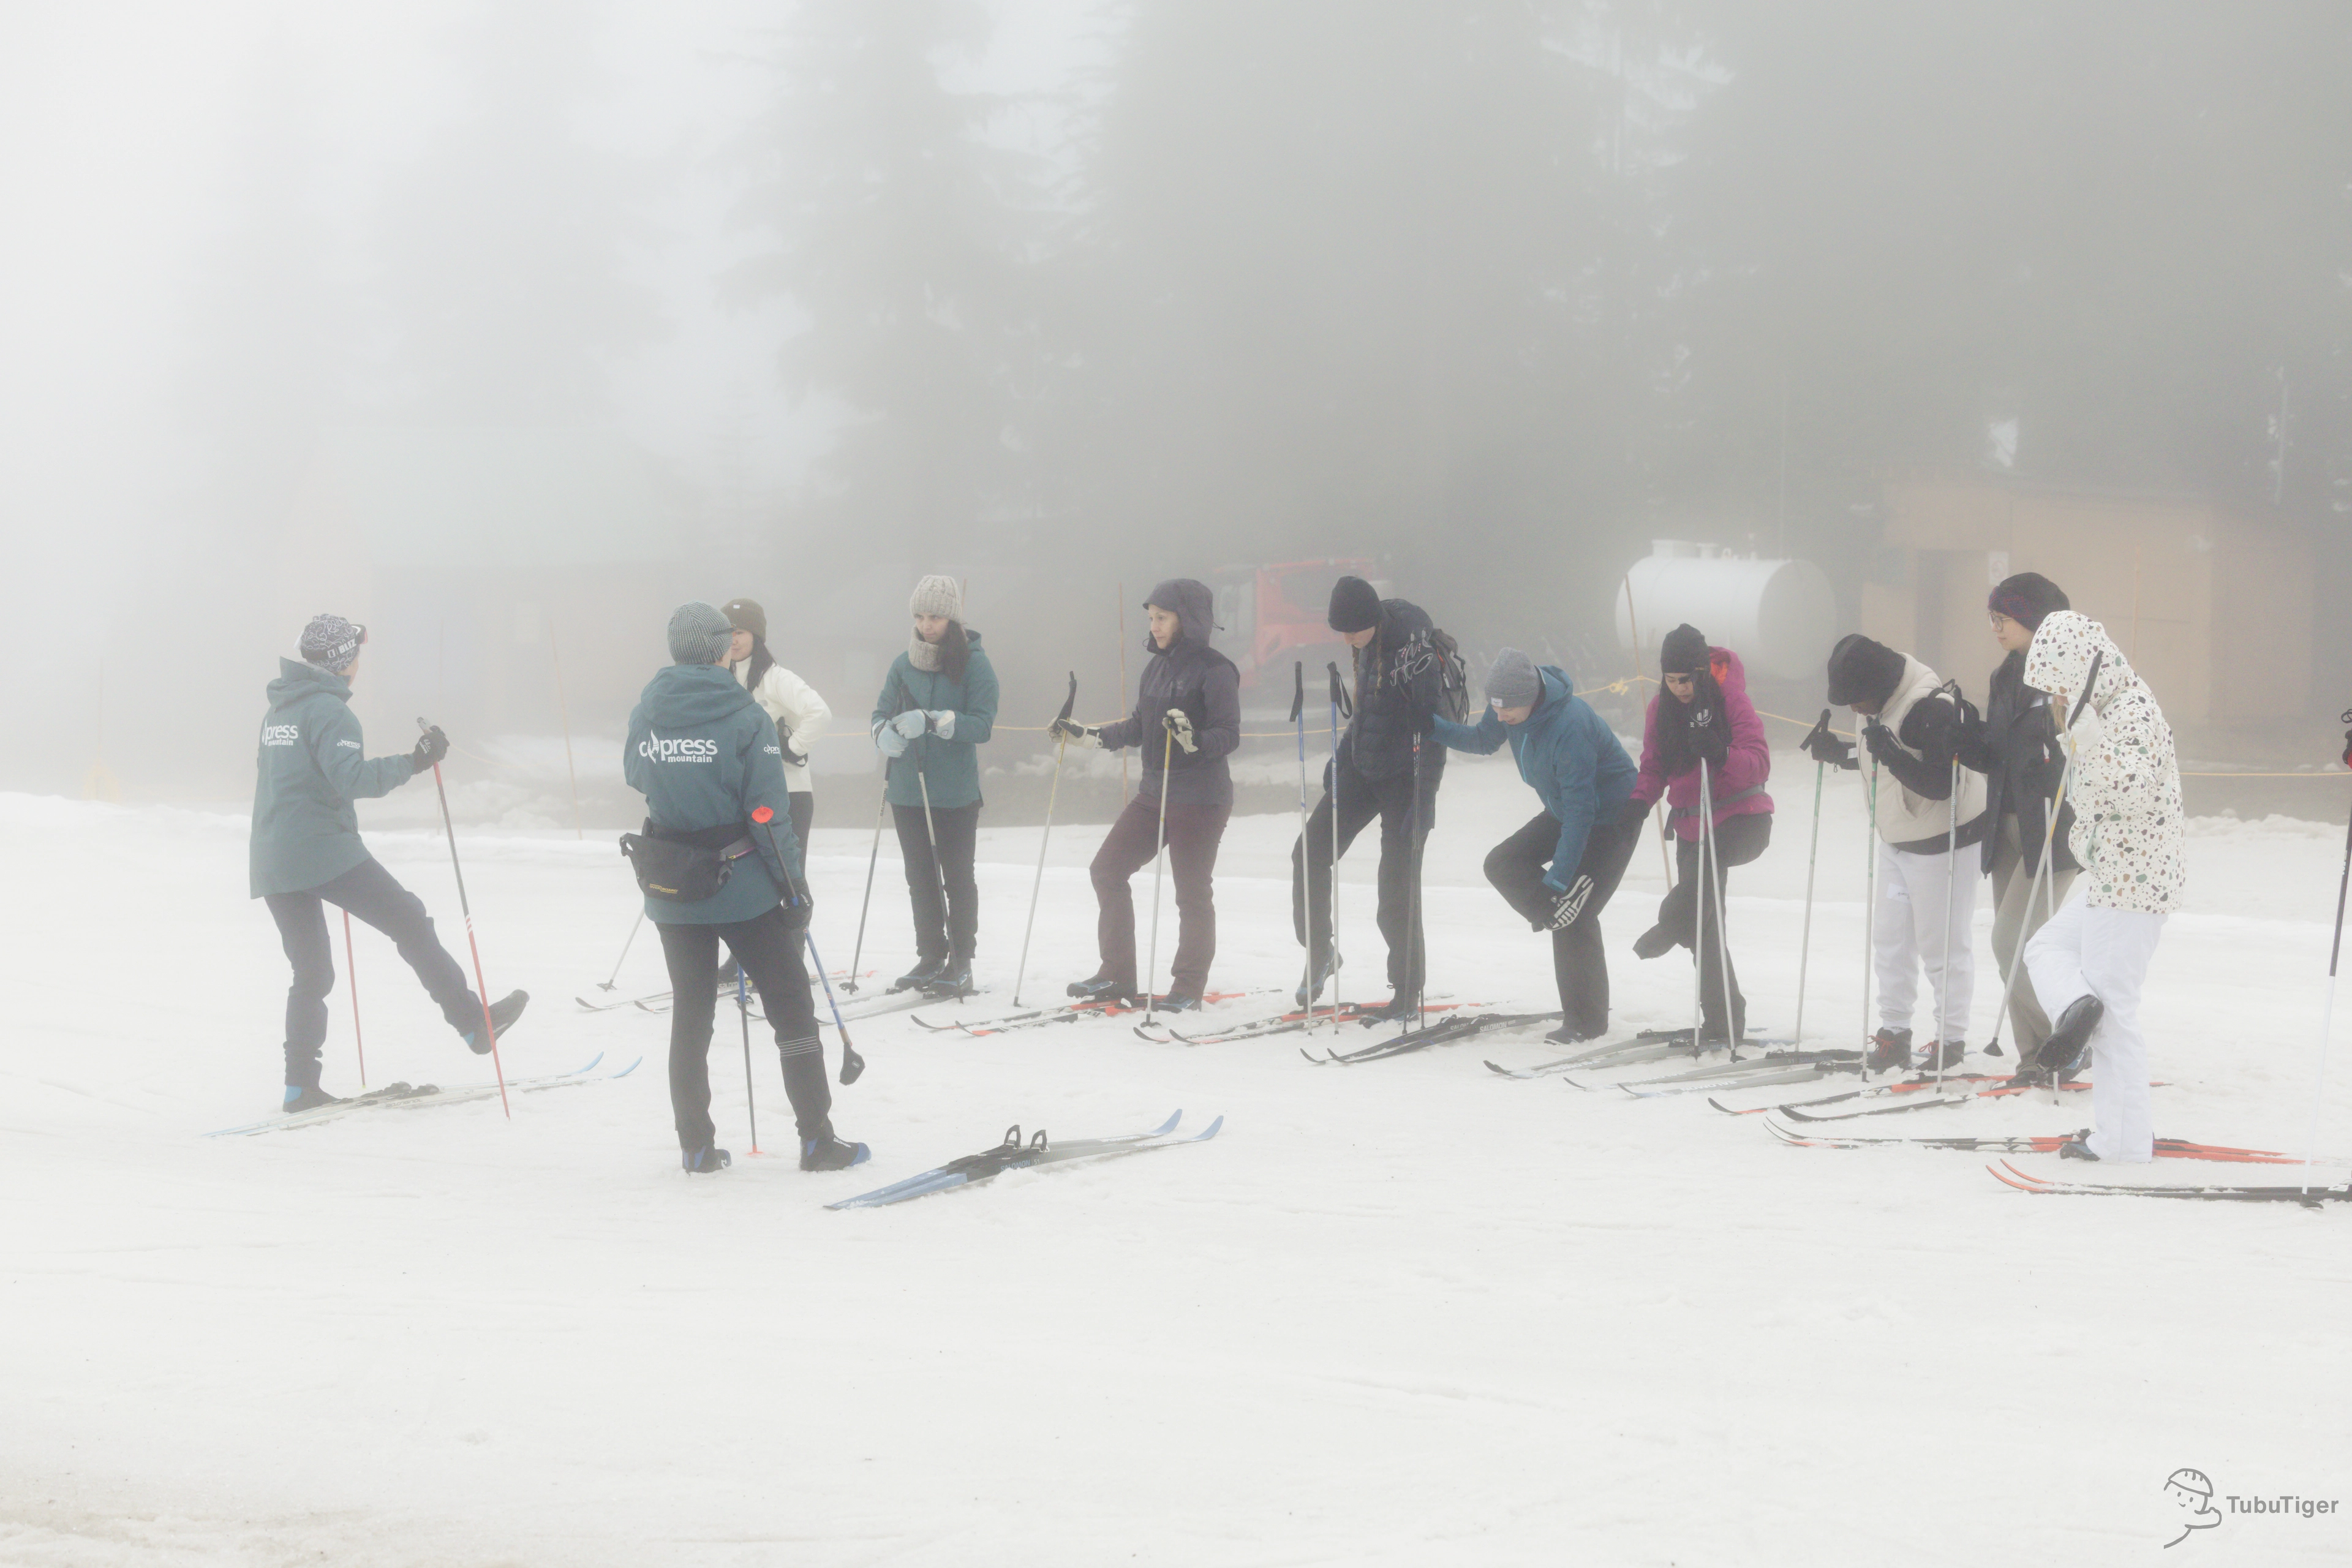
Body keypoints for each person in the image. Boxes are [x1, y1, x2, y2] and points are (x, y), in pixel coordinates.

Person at [624, 602, 865, 1174]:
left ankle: (696, 1146)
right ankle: (816, 1141)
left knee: (691, 1015)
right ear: (718, 648)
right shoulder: (745, 715)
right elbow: (766, 812)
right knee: (791, 1006)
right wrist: (794, 886)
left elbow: (636, 775)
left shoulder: (647, 709)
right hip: (743, 888)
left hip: (671, 885)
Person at [251, 614, 527, 1112]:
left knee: (311, 973)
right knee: (409, 921)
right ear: (343, 661)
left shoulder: (279, 710)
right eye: (357, 651)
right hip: (321, 850)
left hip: (273, 856)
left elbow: (287, 778)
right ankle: (473, 1025)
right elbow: (352, 780)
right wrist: (416, 761)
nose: (360, 660)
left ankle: (299, 1087)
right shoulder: (330, 711)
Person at [2021, 609, 2185, 1163]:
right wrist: (2082, 739)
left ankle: (2122, 1143)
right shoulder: (2105, 709)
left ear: (2083, 671)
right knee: (2045, 947)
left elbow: (2133, 791)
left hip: (2134, 880)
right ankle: (2077, 1006)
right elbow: (2092, 797)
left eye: (2060, 685)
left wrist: (2089, 742)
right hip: (2113, 872)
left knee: (2115, 1018)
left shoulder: (2131, 709)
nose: (2056, 698)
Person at [1430, 649, 1642, 1045]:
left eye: (1507, 710)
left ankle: (1586, 1023)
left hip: (1610, 818)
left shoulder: (1570, 726)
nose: (1500, 717)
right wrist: (1430, 726)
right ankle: (1555, 911)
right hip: (1565, 809)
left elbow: (1581, 813)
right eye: (1495, 708)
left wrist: (1558, 881)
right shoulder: (1510, 706)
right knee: (1502, 863)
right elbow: (1482, 740)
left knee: (1573, 916)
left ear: (1531, 699)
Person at [1055, 579, 1242, 1009]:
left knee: (1191, 894)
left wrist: (1195, 741)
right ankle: (1117, 976)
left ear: (1187, 620)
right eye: (1152, 618)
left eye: (1162, 618)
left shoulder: (1216, 669)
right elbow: (1140, 727)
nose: (1154, 626)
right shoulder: (1155, 668)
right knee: (1107, 871)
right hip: (1154, 794)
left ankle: (1187, 987)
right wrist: (1090, 737)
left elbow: (1229, 734)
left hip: (1201, 798)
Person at [1809, 633, 1988, 1072]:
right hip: (1898, 841)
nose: (1855, 709)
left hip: (1944, 843)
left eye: (1857, 699)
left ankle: (1951, 1042)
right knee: (1891, 942)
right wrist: (1840, 754)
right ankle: (1894, 1035)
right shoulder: (1878, 703)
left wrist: (1890, 754)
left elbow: (1941, 785)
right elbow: (1881, 759)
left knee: (1942, 947)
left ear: (1879, 685)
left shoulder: (1930, 708)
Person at [1291, 575, 1451, 1020]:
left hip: (1407, 781)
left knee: (1396, 891)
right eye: (1340, 631)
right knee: (1308, 853)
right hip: (1364, 769)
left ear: (1373, 619)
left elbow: (1433, 730)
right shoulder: (1365, 645)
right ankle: (1320, 950)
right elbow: (1364, 713)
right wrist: (1342, 760)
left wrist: (1424, 798)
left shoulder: (1416, 654)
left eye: (1351, 630)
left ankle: (1407, 991)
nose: (1346, 639)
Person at [1624, 624, 1774, 1043]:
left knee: (1699, 885)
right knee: (1704, 930)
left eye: (1687, 679)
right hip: (1691, 825)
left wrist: (1722, 754)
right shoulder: (1660, 709)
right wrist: (1639, 802)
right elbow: (1654, 766)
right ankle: (1723, 1021)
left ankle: (1668, 926)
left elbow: (1760, 762)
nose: (1680, 689)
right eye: (1671, 680)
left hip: (1743, 819)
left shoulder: (1731, 699)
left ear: (1702, 671)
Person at [1956, 572, 2079, 1079]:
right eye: (1992, 618)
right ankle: (2036, 1055)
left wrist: (2057, 767)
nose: (1996, 627)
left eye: (2003, 618)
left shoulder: (2068, 675)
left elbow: (2088, 750)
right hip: (2005, 826)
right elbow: (1997, 754)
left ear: (2033, 618)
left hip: (2049, 829)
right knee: (2016, 949)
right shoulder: (2005, 675)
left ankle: (2067, 1041)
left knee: (2013, 942)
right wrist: (1965, 738)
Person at [870, 575, 998, 996]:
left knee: (957, 879)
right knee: (919, 878)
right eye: (921, 617)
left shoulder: (974, 664)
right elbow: (881, 711)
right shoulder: (902, 664)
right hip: (907, 790)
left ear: (952, 620)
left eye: (936, 618)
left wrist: (934, 720)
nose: (927, 625)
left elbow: (982, 725)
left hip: (954, 794)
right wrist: (881, 733)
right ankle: (930, 956)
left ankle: (961, 961)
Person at [714, 597, 831, 988]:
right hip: (745, 797)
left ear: (756, 635)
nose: (734, 640)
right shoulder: (723, 677)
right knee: (748, 879)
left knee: (788, 880)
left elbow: (820, 712)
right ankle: (742, 959)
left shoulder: (777, 678)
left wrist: (792, 748)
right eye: (728, 632)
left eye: (741, 632)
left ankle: (791, 962)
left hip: (789, 795)